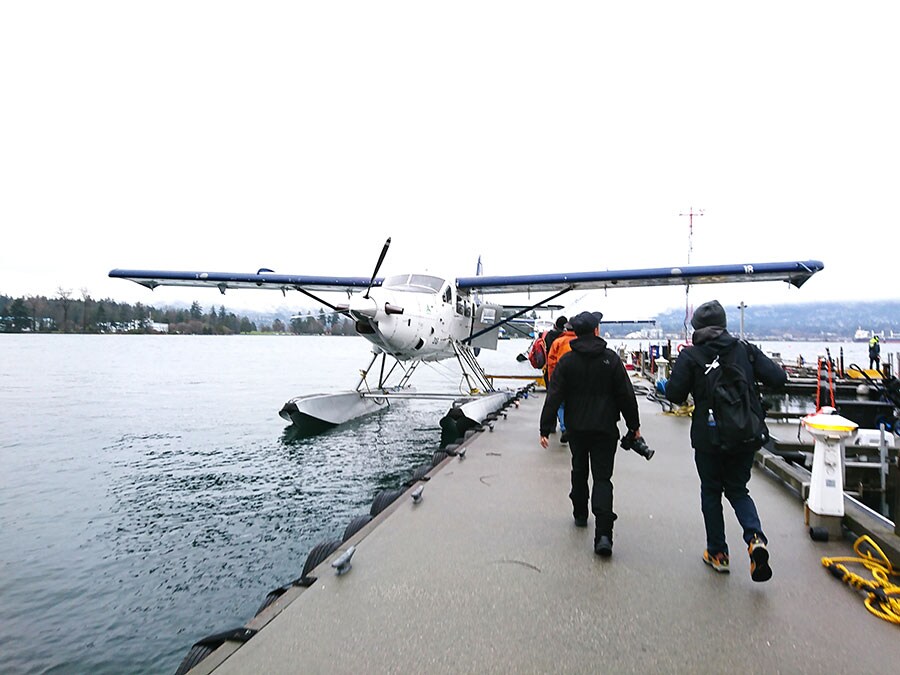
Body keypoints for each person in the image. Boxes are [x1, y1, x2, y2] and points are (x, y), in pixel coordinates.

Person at [665, 300, 785, 582]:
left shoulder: (691, 356)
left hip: (708, 438)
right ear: (724, 324)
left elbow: (674, 394)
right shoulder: (744, 349)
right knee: (738, 490)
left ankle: (718, 553)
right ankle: (755, 538)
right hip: (744, 434)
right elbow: (779, 378)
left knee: (711, 492)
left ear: (696, 327)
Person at [539, 310, 642, 557]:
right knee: (603, 478)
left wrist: (545, 427)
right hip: (605, 429)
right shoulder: (611, 360)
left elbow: (554, 395)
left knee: (579, 469)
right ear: (596, 331)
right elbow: (626, 395)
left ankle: (580, 513)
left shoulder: (567, 362)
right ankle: (604, 535)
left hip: (577, 428)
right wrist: (633, 426)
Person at [545, 318, 577, 443]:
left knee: (560, 404)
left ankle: (564, 428)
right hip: (576, 380)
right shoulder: (579, 341)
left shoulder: (558, 342)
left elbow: (551, 362)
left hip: (560, 378)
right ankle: (573, 427)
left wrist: (551, 380)